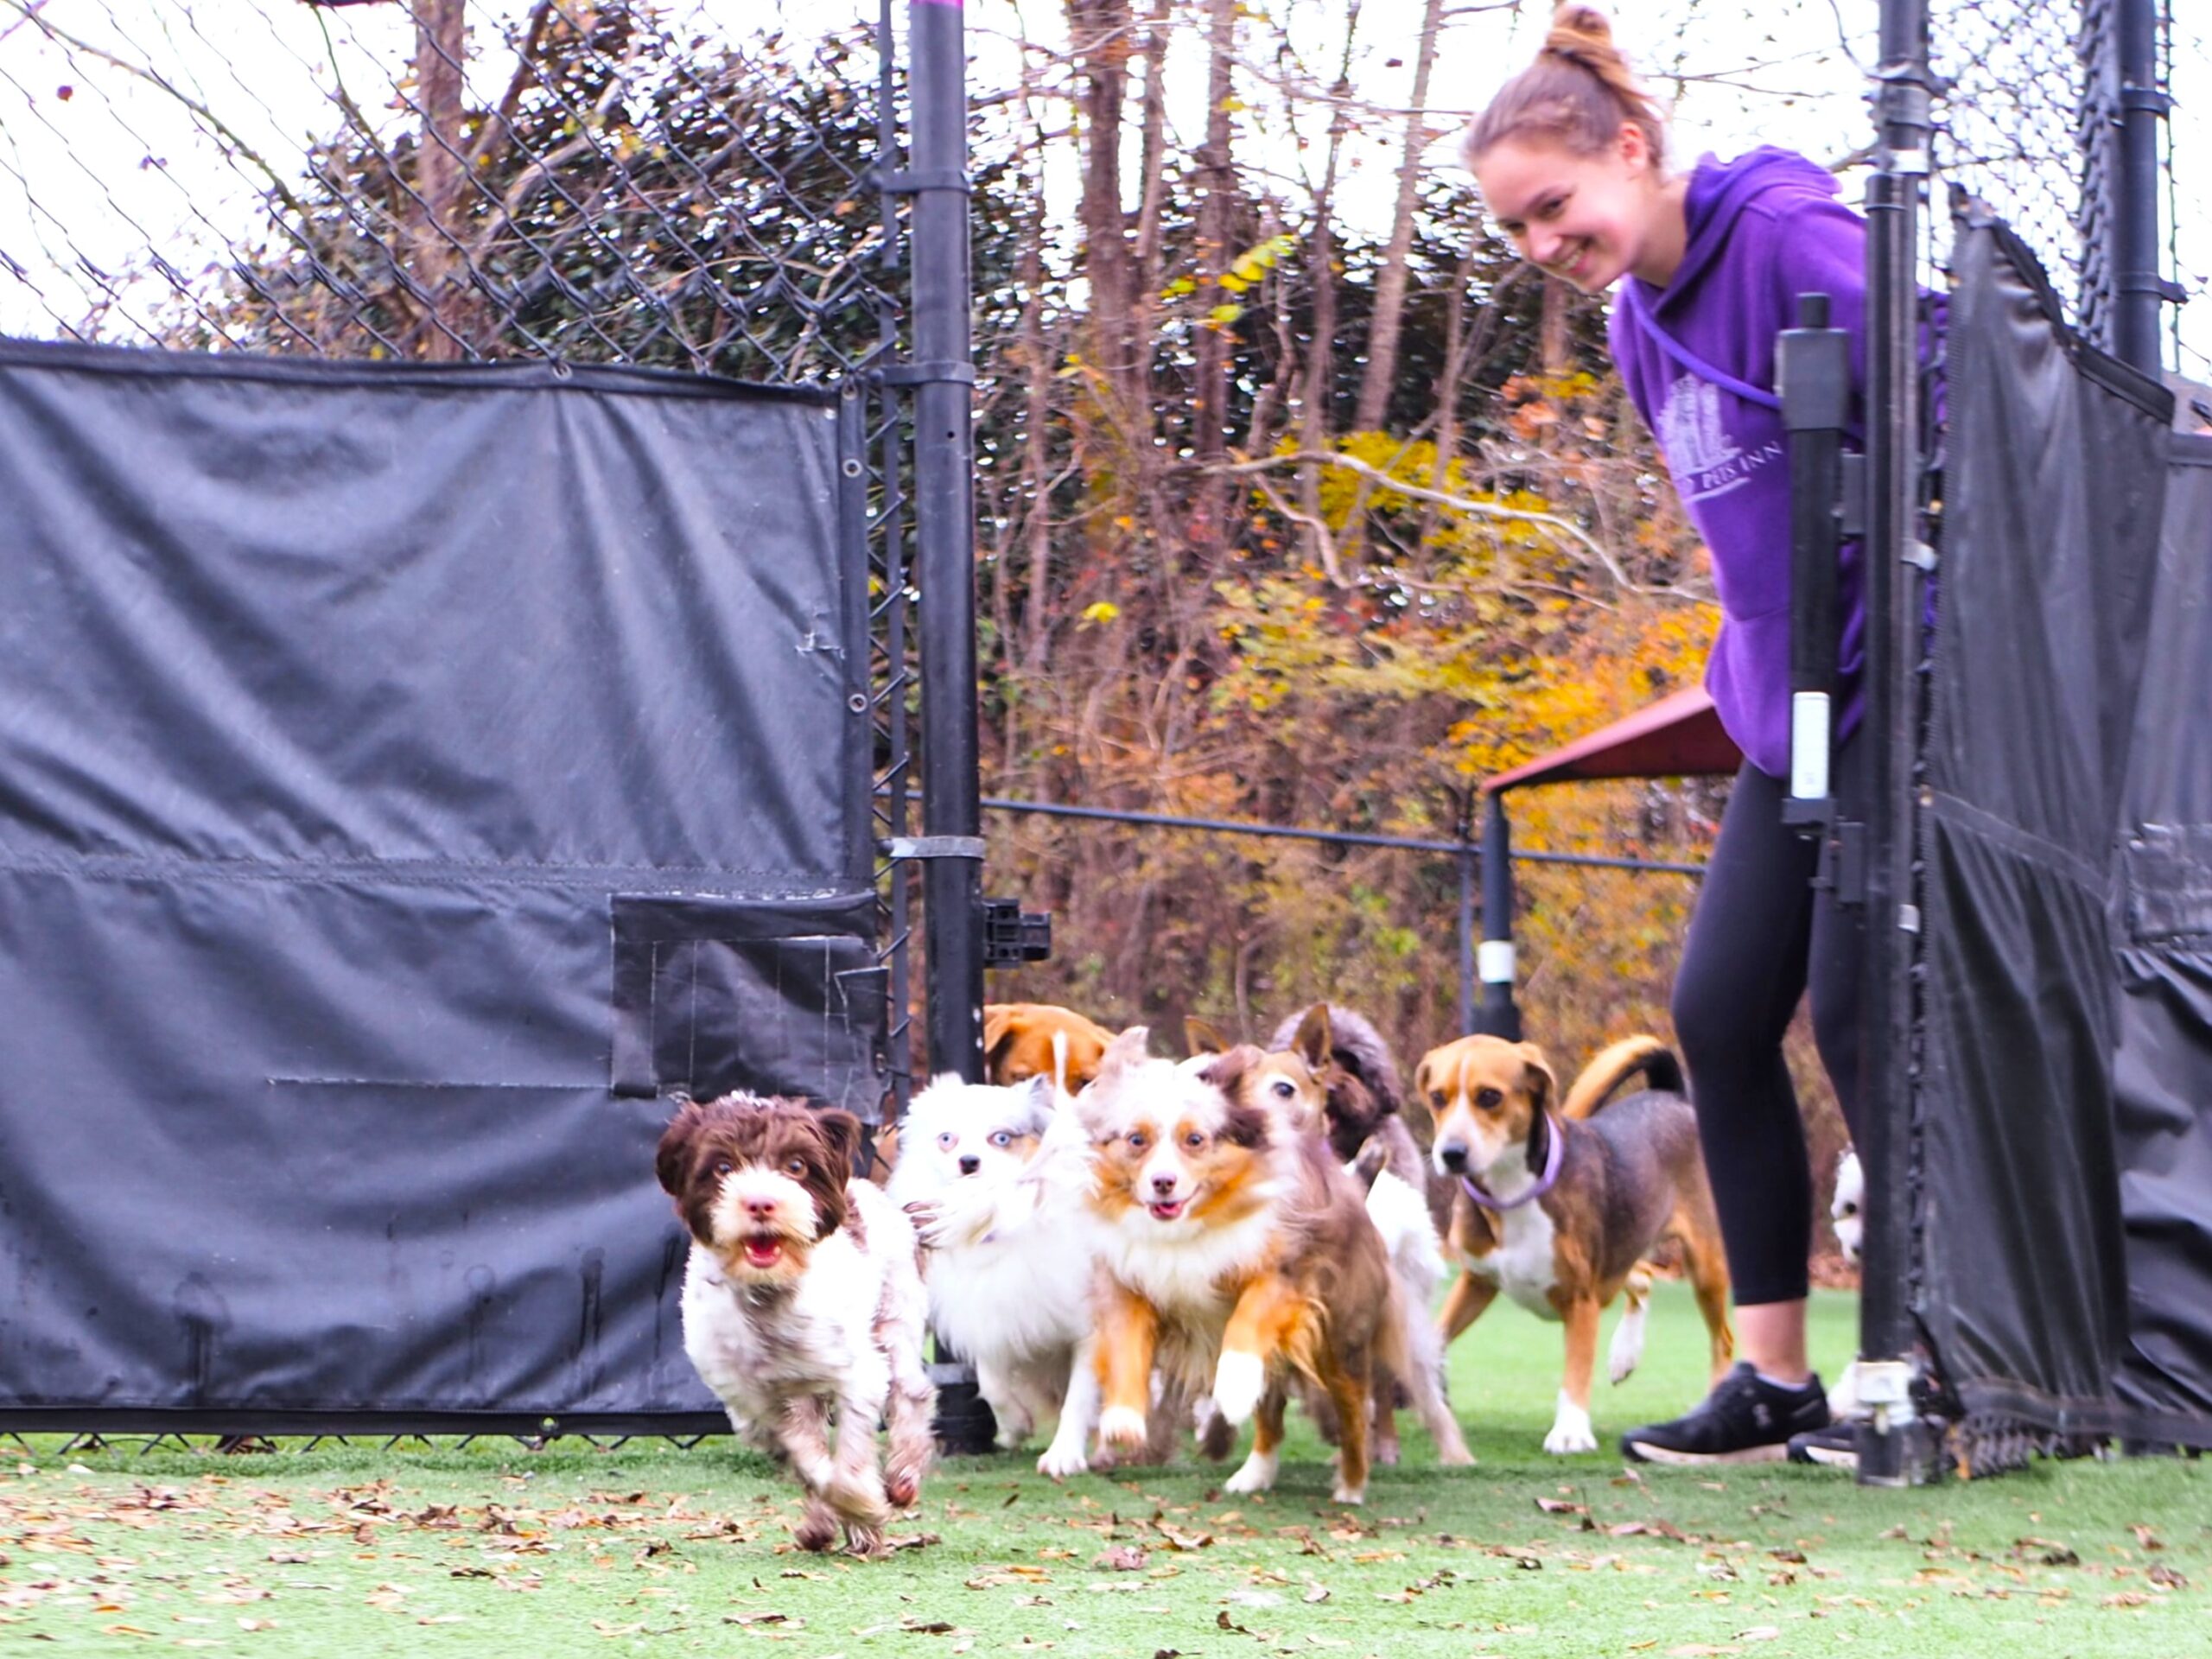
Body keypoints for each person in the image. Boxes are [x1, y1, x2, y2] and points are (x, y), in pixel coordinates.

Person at [1465, 5, 1873, 1465]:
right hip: (1784, 714)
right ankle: (1776, 1380)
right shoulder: (1643, 326)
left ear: (1631, 150)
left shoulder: (1787, 239)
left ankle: (1923, 1364)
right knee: (1715, 1015)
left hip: (1900, 688)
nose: (1540, 247)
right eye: (1516, 228)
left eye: (1553, 207)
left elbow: (1944, 402)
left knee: (1864, 1005)